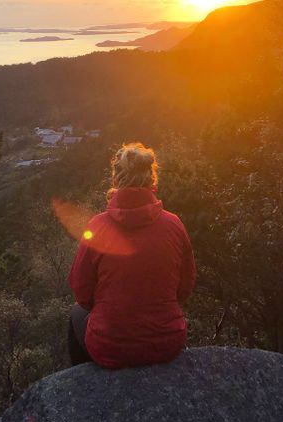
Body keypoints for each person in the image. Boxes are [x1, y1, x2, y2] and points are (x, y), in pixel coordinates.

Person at [67, 142, 196, 368]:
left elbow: (82, 292)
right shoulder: (174, 224)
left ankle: (83, 388)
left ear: (116, 179)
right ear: (151, 177)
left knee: (77, 313)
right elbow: (185, 288)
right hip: (167, 343)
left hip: (110, 348)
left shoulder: (97, 227)